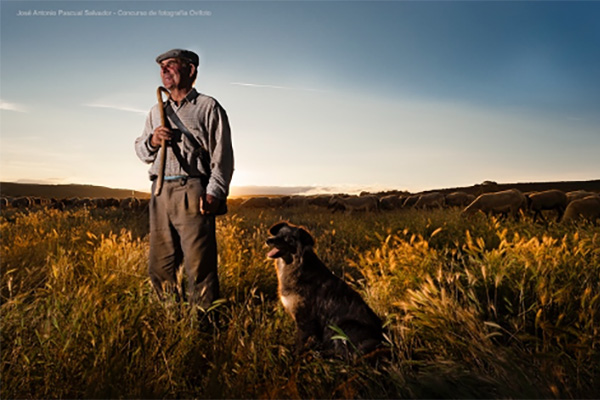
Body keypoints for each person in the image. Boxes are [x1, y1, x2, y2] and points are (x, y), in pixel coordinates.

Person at [135, 49, 234, 309]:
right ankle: (170, 322)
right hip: (159, 190)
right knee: (160, 264)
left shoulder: (208, 106)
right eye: (161, 67)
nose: (164, 71)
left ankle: (202, 325)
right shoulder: (155, 111)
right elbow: (141, 152)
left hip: (192, 190)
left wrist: (214, 192)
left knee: (199, 264)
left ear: (190, 70)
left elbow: (222, 156)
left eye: (171, 65)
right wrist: (153, 140)